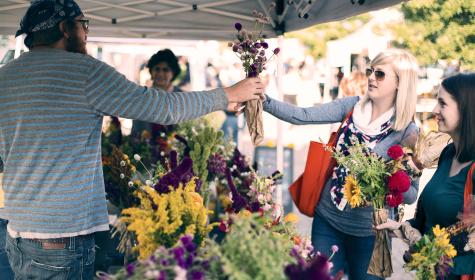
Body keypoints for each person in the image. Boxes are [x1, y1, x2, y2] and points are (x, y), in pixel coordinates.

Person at [0, 1, 263, 279]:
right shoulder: (84, 71)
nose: (87, 32)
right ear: (65, 28)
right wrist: (228, 94)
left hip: (16, 231)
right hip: (62, 237)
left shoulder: (4, 77)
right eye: (84, 24)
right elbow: (161, 107)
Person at [259, 49, 420, 279]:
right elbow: (302, 115)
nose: (372, 77)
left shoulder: (408, 132)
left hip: (371, 235)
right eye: (370, 71)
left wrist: (387, 179)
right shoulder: (353, 106)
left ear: (400, 83)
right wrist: (263, 100)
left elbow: (411, 194)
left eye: (380, 74)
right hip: (328, 221)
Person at [377, 73, 475, 279]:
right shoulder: (449, 154)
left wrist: (427, 254)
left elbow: (468, 250)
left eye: (442, 103)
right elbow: (427, 223)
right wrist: (398, 227)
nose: (434, 111)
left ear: (466, 108)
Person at [131, 49, 183, 164]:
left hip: (175, 159)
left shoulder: (182, 97)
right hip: (145, 159)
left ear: (173, 72)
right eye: (157, 69)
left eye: (165, 70)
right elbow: (136, 130)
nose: (160, 74)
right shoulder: (142, 97)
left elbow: (186, 131)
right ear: (151, 71)